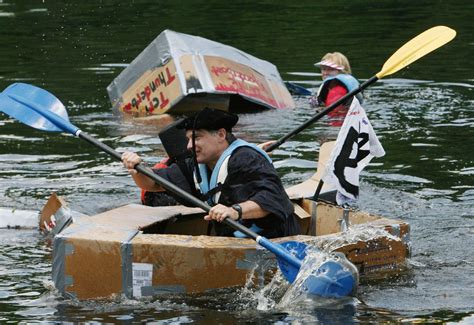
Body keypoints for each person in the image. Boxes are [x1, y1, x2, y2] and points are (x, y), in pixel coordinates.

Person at [121, 107, 300, 238]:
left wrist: (234, 211)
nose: (190, 146)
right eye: (188, 140)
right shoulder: (196, 165)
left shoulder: (247, 158)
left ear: (221, 135)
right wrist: (136, 169)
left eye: (197, 138)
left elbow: (272, 199)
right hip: (235, 241)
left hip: (276, 238)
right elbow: (153, 183)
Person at [309, 52, 363, 124]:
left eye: (330, 69)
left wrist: (318, 108)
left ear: (342, 71)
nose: (325, 72)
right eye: (324, 69)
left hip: (338, 121)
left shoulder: (338, 89)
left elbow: (335, 112)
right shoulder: (328, 87)